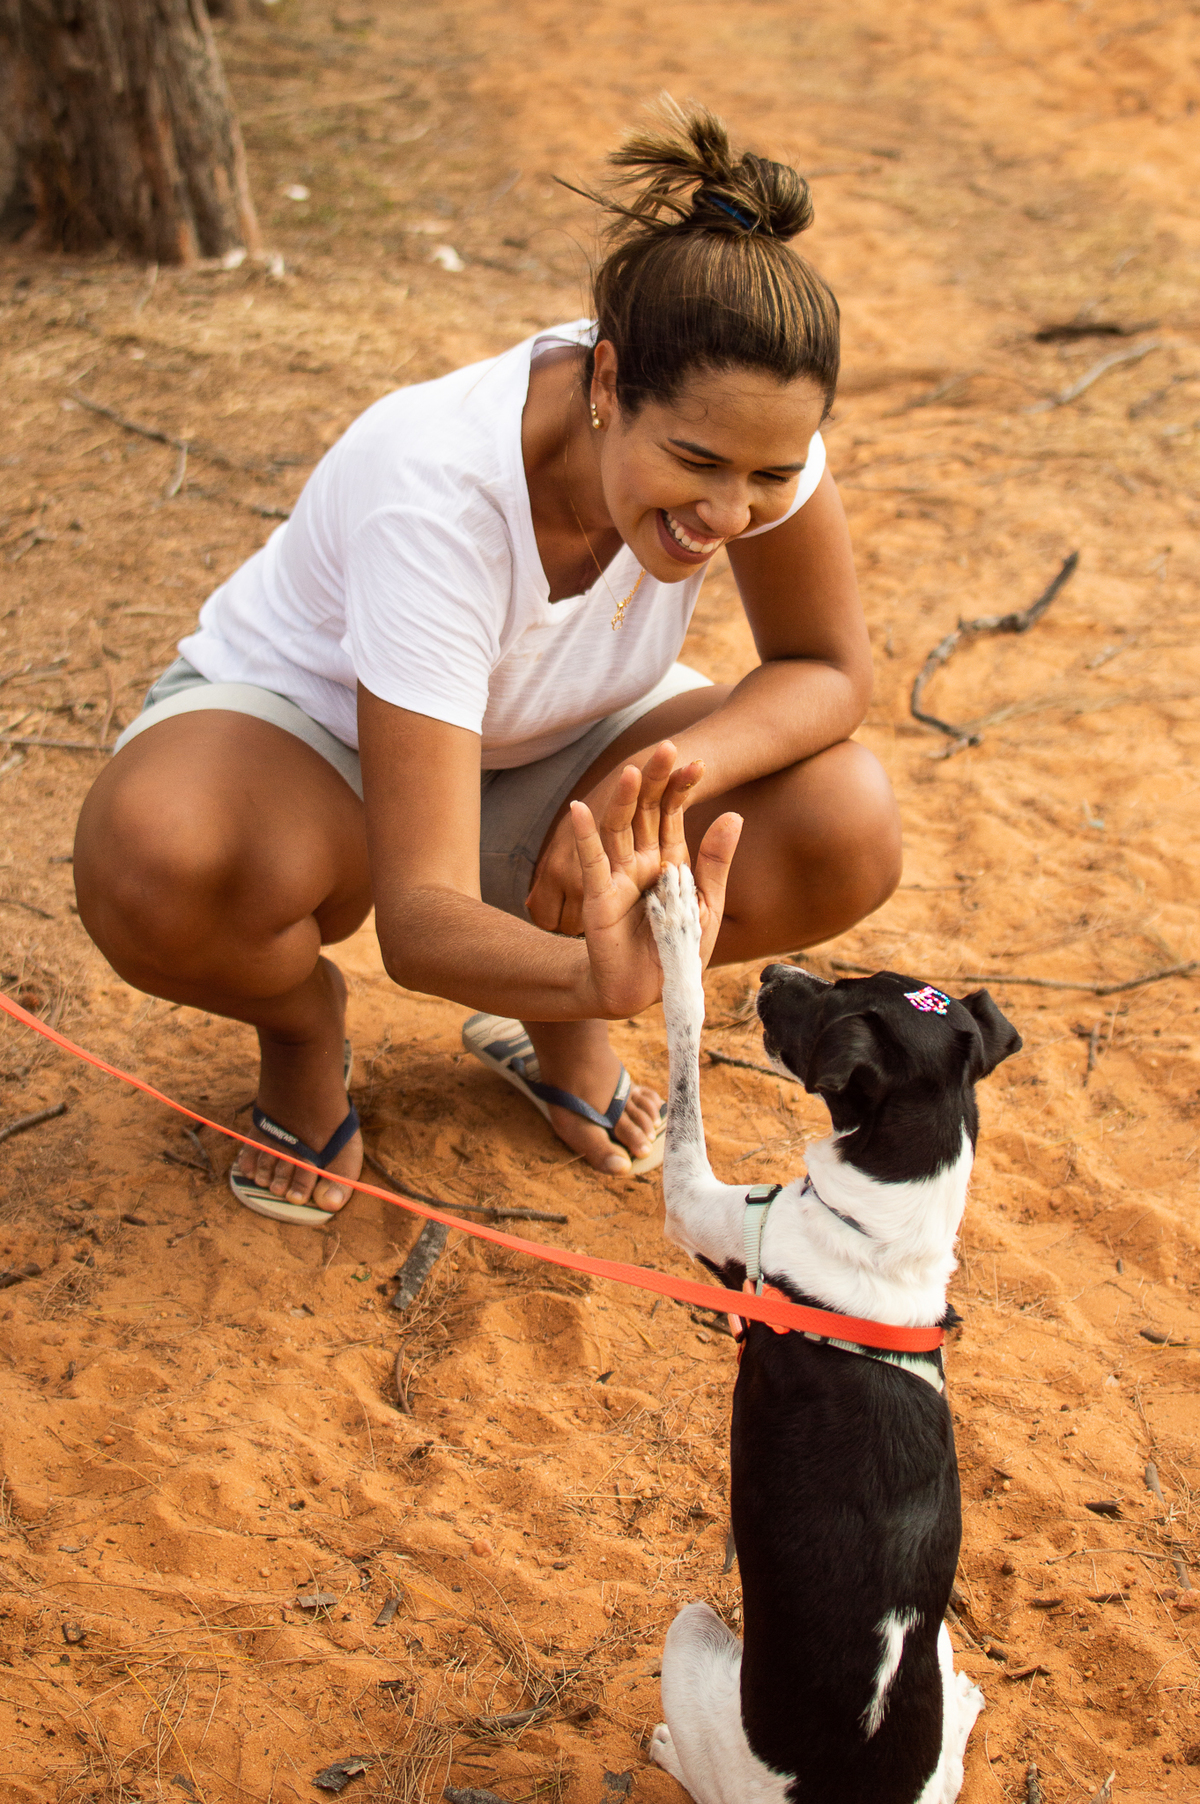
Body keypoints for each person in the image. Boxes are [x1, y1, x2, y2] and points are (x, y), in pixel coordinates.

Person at [73, 103, 901, 1226]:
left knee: (845, 815)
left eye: (770, 475)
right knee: (159, 860)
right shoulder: (441, 492)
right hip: (312, 749)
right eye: (696, 462)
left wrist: (651, 782)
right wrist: (600, 980)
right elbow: (418, 919)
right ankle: (303, 1031)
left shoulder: (750, 432)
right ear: (607, 380)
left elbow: (826, 670)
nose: (728, 511)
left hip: (551, 738)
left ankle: (550, 1017)